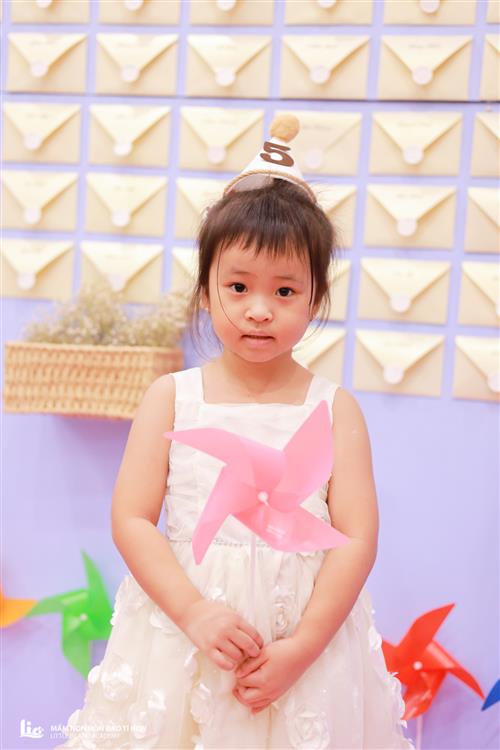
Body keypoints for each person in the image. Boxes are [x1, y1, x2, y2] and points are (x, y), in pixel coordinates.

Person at [57, 117, 415, 749]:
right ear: (205, 291)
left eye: (285, 290)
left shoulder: (335, 410)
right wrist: (194, 612)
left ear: (315, 299)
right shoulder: (172, 398)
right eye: (239, 286)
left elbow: (357, 538)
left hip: (302, 649)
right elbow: (132, 518)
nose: (259, 309)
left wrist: (303, 646)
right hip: (183, 637)